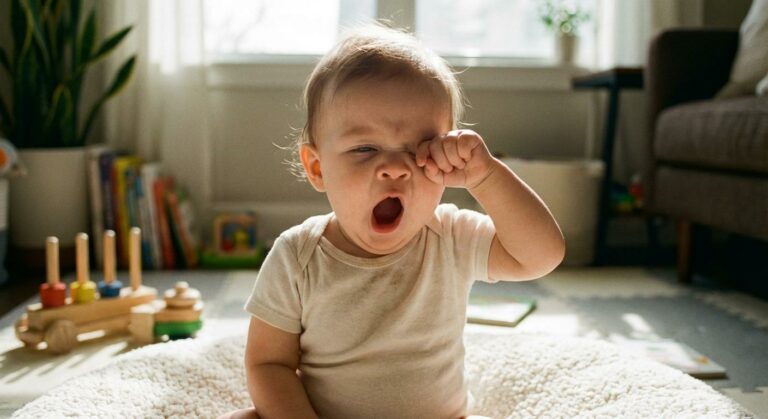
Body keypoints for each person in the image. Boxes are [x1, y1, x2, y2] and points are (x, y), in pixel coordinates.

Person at [220, 23, 565, 419]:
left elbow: (542, 256)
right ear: (317, 167)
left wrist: (487, 177)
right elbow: (268, 364)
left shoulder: (450, 235)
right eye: (365, 148)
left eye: (420, 148)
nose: (395, 169)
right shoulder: (297, 256)